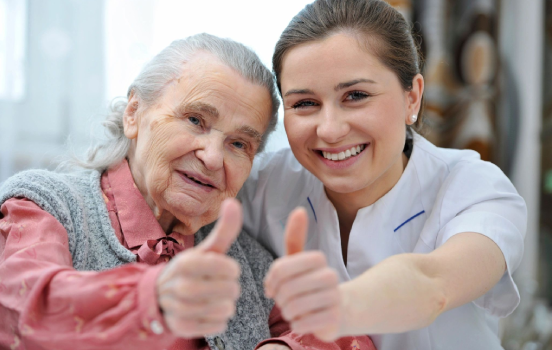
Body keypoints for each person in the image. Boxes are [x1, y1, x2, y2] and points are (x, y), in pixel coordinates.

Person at [0, 33, 375, 350]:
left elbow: (349, 335)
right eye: (196, 120)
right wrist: (155, 297)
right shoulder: (47, 206)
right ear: (134, 113)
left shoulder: (245, 260)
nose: (212, 157)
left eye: (239, 144)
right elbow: (20, 309)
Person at [239, 0, 527, 349]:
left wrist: (328, 313)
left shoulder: (475, 187)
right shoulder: (262, 186)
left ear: (413, 98)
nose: (329, 130)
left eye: (356, 95)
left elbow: (433, 285)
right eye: (304, 103)